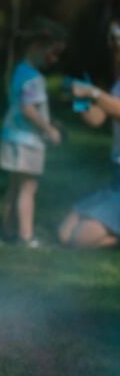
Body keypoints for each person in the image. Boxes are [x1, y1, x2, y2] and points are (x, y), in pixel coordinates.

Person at [0, 18, 66, 247]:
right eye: (53, 52)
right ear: (38, 46)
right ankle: (26, 236)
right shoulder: (34, 78)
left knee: (14, 188)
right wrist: (50, 130)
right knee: (28, 189)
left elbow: (22, 106)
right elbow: (29, 109)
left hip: (11, 137)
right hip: (28, 142)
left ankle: (7, 232)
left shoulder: (19, 71)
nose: (54, 59)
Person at [58, 24, 120, 248]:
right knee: (64, 234)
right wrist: (80, 99)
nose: (116, 54)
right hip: (116, 177)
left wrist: (93, 92)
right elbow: (98, 119)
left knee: (78, 240)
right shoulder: (118, 84)